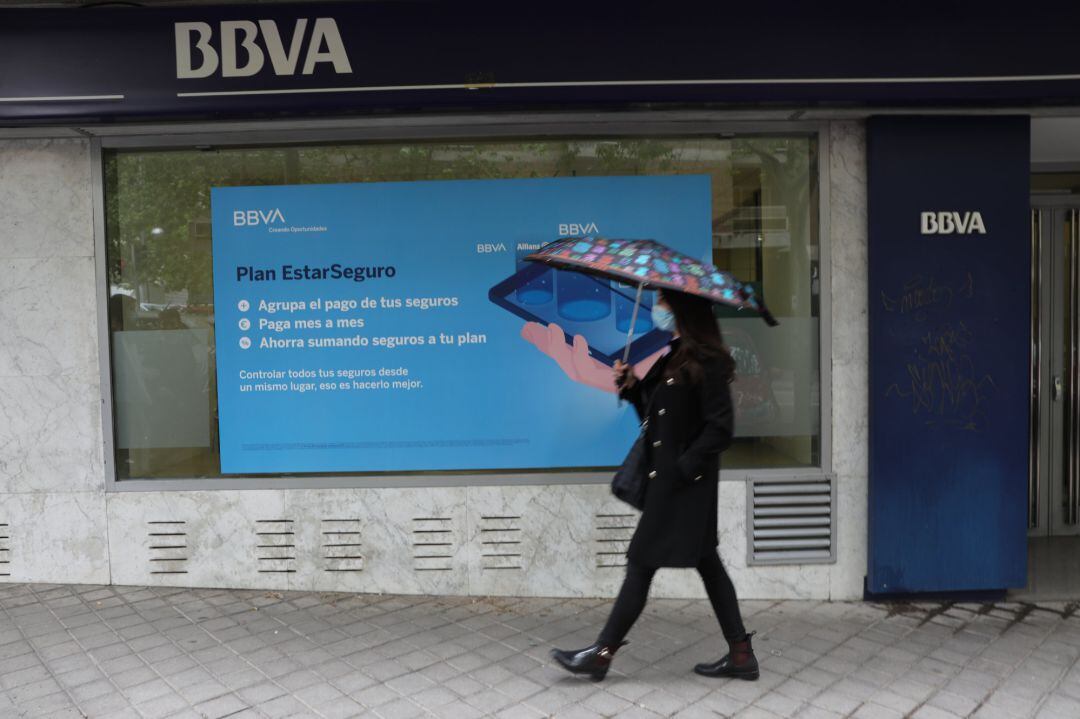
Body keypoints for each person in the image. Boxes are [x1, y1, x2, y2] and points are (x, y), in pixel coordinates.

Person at [551, 288, 759, 682]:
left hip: (684, 486)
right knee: (708, 564)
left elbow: (721, 428)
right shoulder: (674, 353)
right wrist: (631, 386)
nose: (657, 308)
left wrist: (683, 470)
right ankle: (741, 655)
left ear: (682, 308)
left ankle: (603, 652)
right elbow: (659, 413)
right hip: (670, 482)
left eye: (664, 302)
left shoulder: (707, 360)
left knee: (640, 563)